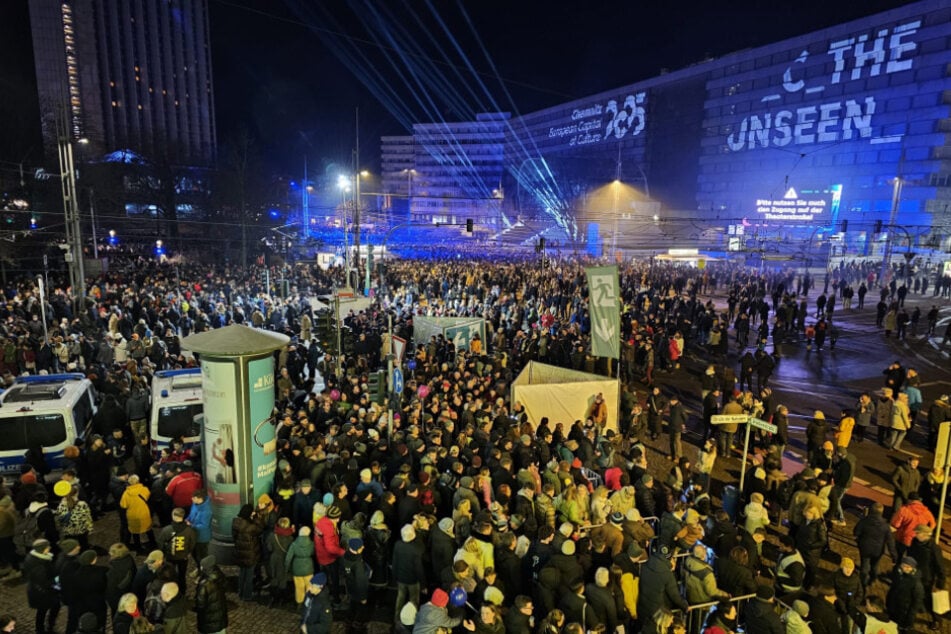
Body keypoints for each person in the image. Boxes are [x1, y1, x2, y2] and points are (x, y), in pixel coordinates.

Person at [854, 502, 897, 589]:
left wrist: (859, 540)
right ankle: (873, 579)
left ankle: (863, 582)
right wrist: (894, 555)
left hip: (865, 548)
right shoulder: (885, 526)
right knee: (875, 566)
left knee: (864, 565)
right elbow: (890, 541)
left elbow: (856, 532)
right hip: (878, 550)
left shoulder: (864, 521)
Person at [24, 539, 59, 634]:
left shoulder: (36, 558)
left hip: (39, 591)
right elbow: (44, 582)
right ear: (42, 549)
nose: (50, 548)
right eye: (48, 547)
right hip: (42, 593)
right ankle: (43, 629)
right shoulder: (39, 565)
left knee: (44, 610)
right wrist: (56, 580)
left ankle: (43, 628)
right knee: (45, 609)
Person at [231, 503, 264, 602]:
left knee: (242, 574)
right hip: (250, 554)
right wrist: (257, 517)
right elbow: (260, 529)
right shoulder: (250, 527)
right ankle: (247, 595)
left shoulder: (235, 522)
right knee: (249, 575)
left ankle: (240, 592)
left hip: (240, 553)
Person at [886, 556, 925, 633]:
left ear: (912, 568)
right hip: (893, 607)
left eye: (908, 567)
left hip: (904, 612)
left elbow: (917, 602)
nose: (905, 568)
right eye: (903, 566)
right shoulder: (898, 574)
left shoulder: (916, 583)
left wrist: (910, 617)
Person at [119, 475, 155, 552]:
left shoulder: (126, 493)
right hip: (144, 513)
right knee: (148, 529)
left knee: (135, 532)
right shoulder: (144, 489)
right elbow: (148, 496)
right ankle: (153, 543)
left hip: (133, 516)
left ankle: (138, 548)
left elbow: (123, 505)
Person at [194, 555, 228, 634]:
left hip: (209, 621)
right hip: (220, 617)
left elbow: (200, 605)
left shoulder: (204, 585)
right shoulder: (220, 575)